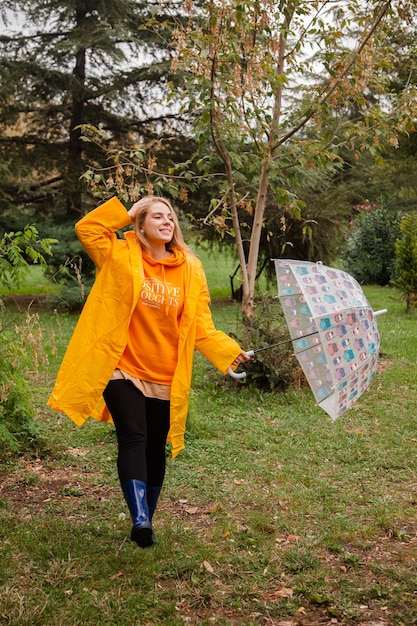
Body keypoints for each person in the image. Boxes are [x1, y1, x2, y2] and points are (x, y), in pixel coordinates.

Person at [47, 195, 250, 548]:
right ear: (140, 225)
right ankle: (139, 518)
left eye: (170, 217)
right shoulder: (118, 255)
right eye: (157, 216)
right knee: (134, 436)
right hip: (120, 366)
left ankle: (147, 522)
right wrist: (128, 212)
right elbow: (88, 228)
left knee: (155, 446)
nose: (166, 221)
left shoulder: (191, 268)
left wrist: (230, 352)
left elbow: (201, 326)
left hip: (166, 373)